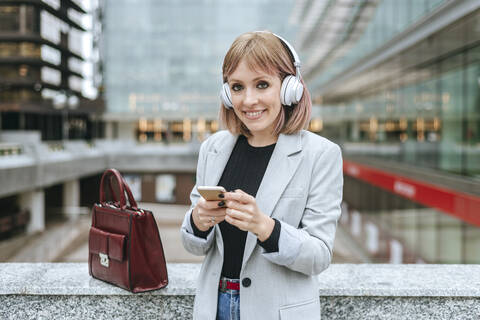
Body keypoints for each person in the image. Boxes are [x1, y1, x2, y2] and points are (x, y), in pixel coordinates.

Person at [180, 30, 343, 320]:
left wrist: (265, 227)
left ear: (289, 88)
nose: (248, 100)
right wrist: (198, 221)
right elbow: (193, 244)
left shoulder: (321, 154)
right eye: (238, 87)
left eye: (262, 84)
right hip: (214, 306)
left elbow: (319, 255)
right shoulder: (213, 149)